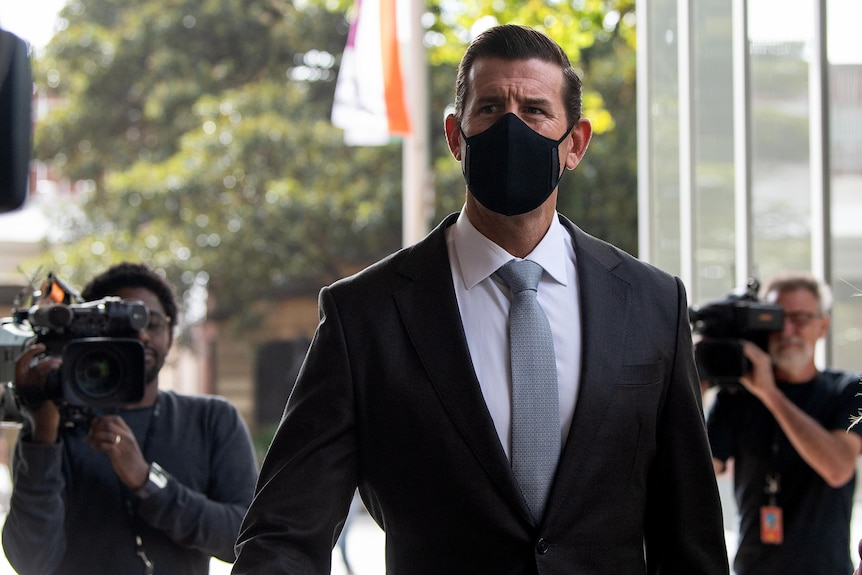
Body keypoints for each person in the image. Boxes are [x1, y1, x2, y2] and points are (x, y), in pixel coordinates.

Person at [233, 24, 729, 574]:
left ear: (576, 143)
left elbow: (691, 538)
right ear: (454, 136)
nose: (511, 127)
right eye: (490, 108)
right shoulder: (365, 315)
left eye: (536, 110)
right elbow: (284, 532)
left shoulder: (653, 303)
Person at [2, 262, 259, 574]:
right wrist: (42, 436)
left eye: (152, 323)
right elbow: (30, 560)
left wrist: (146, 480)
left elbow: (244, 537)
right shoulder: (52, 423)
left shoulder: (212, 419)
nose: (140, 335)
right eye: (122, 325)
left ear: (171, 333)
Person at [706, 271, 862, 574]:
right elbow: (701, 468)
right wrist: (693, 382)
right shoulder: (738, 394)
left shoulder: (847, 389)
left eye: (801, 318)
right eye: (777, 318)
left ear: (823, 326)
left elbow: (838, 468)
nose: (788, 330)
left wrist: (770, 393)